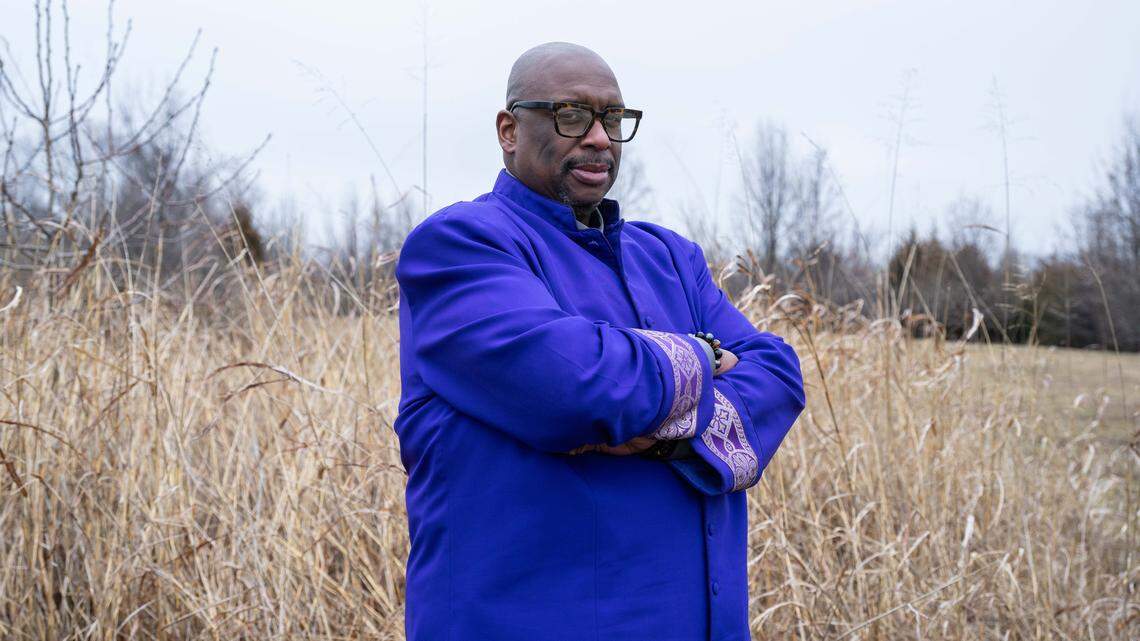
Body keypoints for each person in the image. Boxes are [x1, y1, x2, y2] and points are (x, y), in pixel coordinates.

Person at [393, 41, 805, 641]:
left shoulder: (670, 257)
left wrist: (659, 431)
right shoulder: (460, 245)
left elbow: (778, 374)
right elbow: (577, 387)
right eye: (571, 115)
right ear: (509, 130)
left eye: (613, 119)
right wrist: (705, 356)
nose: (599, 139)